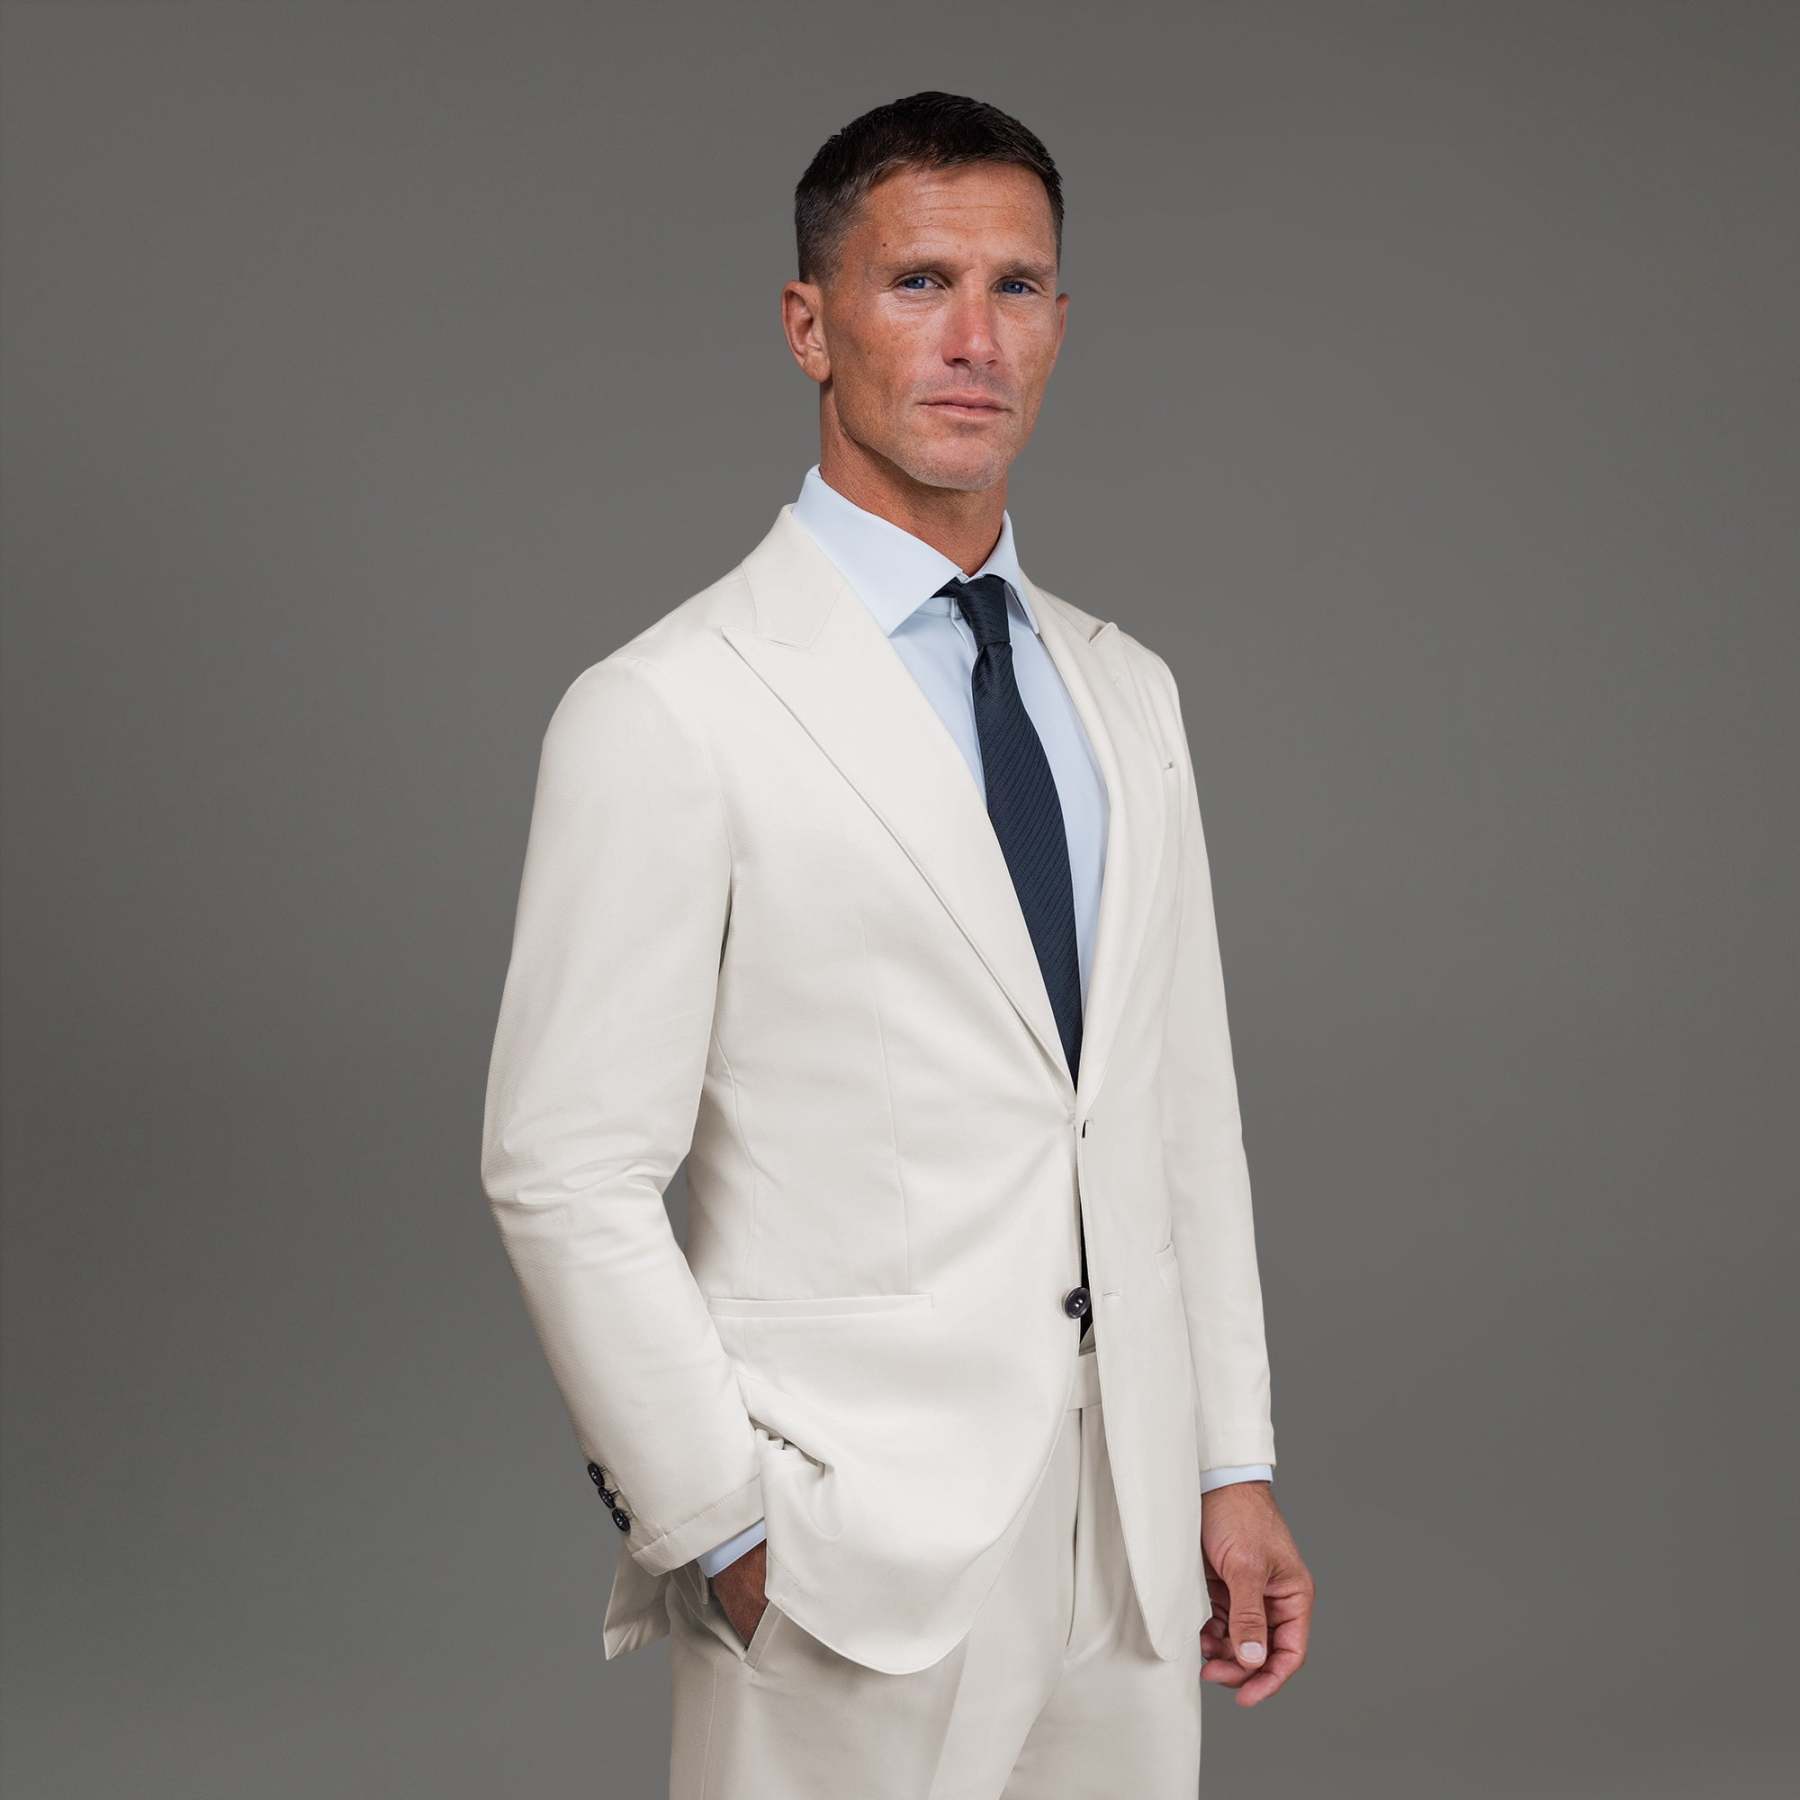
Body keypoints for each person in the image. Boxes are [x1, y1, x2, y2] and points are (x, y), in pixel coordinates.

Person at [479, 88, 1314, 1799]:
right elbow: (561, 1167)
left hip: (1128, 1546)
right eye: (919, 280)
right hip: (845, 1551)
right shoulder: (670, 708)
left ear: (1062, 323)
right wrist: (722, 1527)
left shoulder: (1127, 693)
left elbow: (1175, 1112)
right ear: (810, 324)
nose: (973, 337)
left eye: (1017, 287)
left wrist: (1226, 1463)